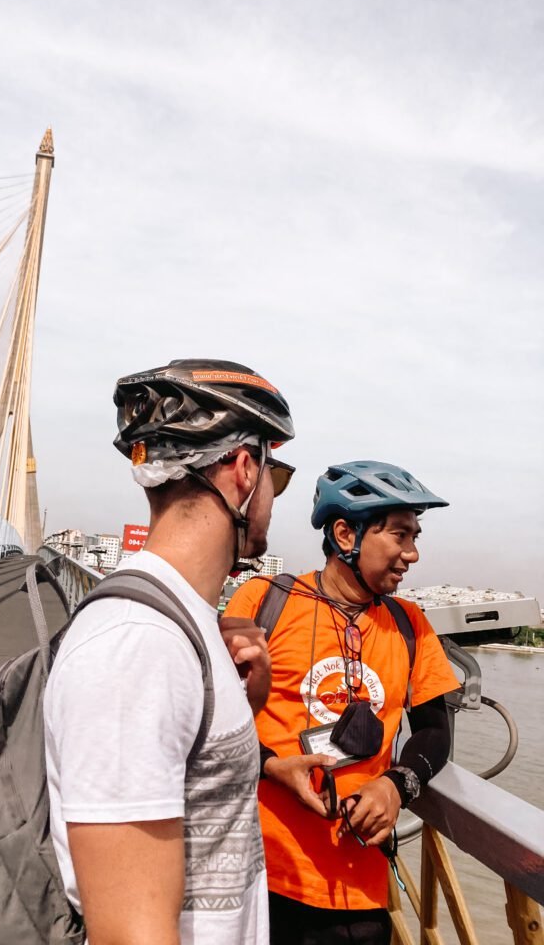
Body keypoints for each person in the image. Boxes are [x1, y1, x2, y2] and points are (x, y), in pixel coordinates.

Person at [43, 359, 297, 945]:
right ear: (244, 470)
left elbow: (193, 779)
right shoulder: (137, 647)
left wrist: (248, 703)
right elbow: (131, 935)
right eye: (276, 478)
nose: (273, 498)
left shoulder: (185, 626)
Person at [226, 460, 461, 945]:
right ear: (345, 534)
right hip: (255, 874)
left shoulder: (410, 625)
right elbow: (212, 719)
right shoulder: (263, 601)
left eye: (415, 537)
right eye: (399, 535)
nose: (412, 553)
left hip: (358, 892)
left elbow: (435, 732)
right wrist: (272, 766)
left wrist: (397, 785)